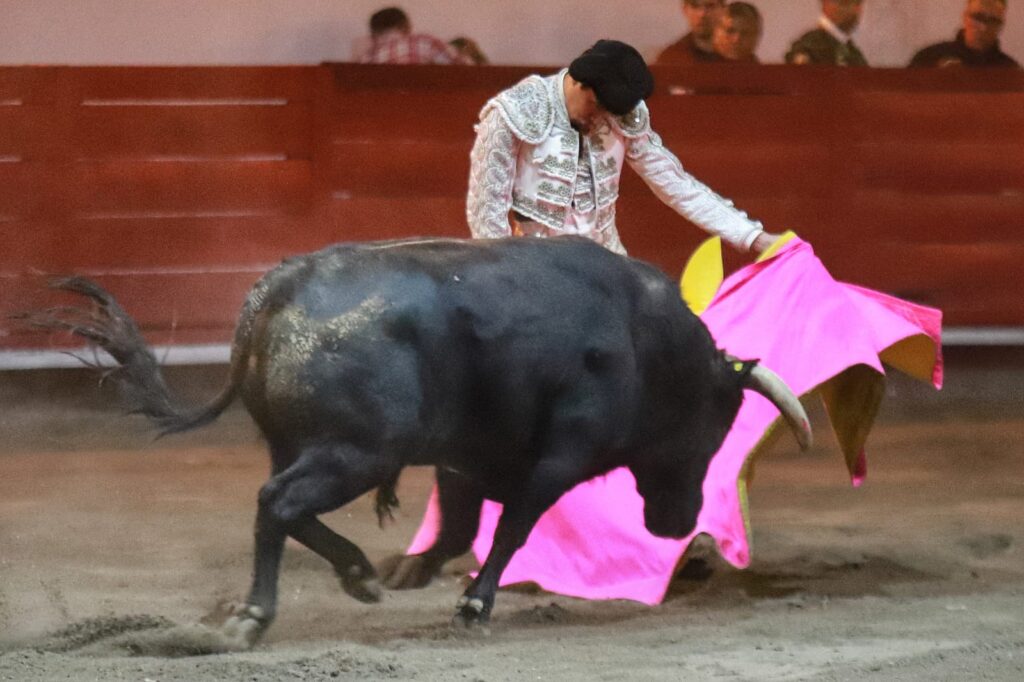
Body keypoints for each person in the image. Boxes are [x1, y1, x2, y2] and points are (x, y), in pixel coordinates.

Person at [467, 39, 782, 261]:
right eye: (597, 105)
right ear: (580, 83)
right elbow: (487, 212)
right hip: (534, 266)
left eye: (611, 111)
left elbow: (676, 184)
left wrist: (752, 236)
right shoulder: (515, 111)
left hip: (608, 264)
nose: (602, 118)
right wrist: (506, 283)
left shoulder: (622, 116)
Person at [909, 0, 1020, 68]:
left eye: (992, 20)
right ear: (965, 17)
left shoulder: (1008, 70)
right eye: (978, 17)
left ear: (1001, 25)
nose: (983, 26)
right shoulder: (930, 57)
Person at [355, 6, 473, 65]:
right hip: (420, 96)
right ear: (406, 27)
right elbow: (462, 63)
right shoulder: (424, 42)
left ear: (374, 34)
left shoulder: (368, 56)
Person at [786, 0, 868, 66]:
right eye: (845, 2)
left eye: (858, 3)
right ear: (825, 3)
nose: (855, 11)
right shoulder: (808, 48)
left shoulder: (854, 54)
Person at [656, 0, 727, 65]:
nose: (702, 14)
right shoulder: (670, 59)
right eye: (695, 6)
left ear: (724, 9)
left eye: (710, 6)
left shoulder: (736, 56)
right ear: (685, 9)